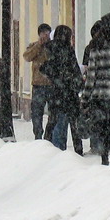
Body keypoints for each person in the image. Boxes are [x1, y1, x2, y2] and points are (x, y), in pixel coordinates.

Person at [80, 22, 110, 165]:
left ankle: (104, 156)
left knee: (103, 127)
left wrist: (85, 97)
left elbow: (91, 77)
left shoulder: (95, 51)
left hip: (100, 97)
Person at [37, 25, 83, 154]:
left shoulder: (49, 48)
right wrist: (77, 83)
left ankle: (47, 146)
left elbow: (44, 67)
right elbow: (74, 69)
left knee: (53, 121)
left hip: (55, 91)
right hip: (69, 92)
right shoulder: (68, 50)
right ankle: (77, 150)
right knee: (74, 125)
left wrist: (54, 76)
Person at [21, 23, 54, 140]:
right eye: (43, 33)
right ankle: (38, 134)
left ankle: (48, 136)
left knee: (53, 113)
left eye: (47, 33)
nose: (45, 36)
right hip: (38, 84)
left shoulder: (53, 46)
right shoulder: (34, 46)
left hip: (51, 84)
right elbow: (27, 57)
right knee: (36, 113)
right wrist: (39, 45)